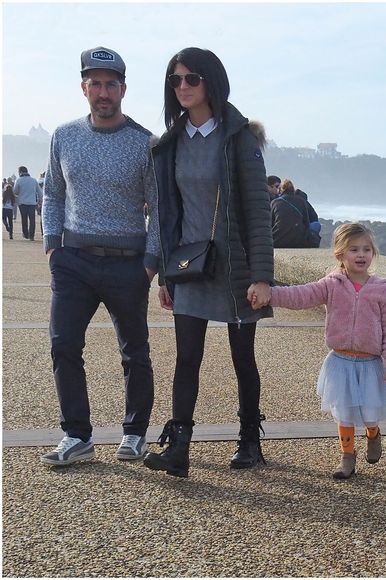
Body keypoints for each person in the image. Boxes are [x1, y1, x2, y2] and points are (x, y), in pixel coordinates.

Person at [143, 47, 274, 478]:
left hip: (235, 267)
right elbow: (166, 214)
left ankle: (249, 442)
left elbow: (257, 212)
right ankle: (178, 448)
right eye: (175, 80)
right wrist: (166, 274)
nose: (182, 87)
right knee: (186, 358)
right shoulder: (170, 143)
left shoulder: (238, 137)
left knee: (243, 357)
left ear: (211, 82)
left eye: (191, 79)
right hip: (190, 267)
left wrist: (262, 277)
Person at [39, 46, 160, 466]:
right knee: (63, 344)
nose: (103, 92)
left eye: (111, 84)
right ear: (83, 87)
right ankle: (77, 436)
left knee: (134, 351)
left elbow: (159, 209)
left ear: (123, 89)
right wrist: (52, 245)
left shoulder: (145, 143)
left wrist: (150, 264)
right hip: (73, 260)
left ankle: (135, 433)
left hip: (128, 262)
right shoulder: (64, 135)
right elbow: (53, 192)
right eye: (95, 84)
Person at [257, 223, 386, 479]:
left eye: (367, 249)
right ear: (340, 255)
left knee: (370, 412)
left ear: (373, 253)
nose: (361, 255)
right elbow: (300, 296)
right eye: (354, 249)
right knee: (344, 412)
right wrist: (271, 295)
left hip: (370, 363)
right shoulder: (331, 285)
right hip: (340, 362)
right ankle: (347, 455)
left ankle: (373, 434)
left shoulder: (382, 289)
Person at [271, 179, 320, 248]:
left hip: (277, 241)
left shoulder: (274, 202)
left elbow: (270, 223)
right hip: (299, 242)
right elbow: (306, 222)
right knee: (316, 225)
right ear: (293, 189)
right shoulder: (301, 201)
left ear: (280, 190)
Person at [13, 166, 40, 240]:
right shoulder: (34, 180)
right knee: (32, 220)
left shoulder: (19, 180)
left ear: (20, 172)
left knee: (24, 219)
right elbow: (39, 192)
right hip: (32, 203)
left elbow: (15, 192)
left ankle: (25, 234)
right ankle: (32, 236)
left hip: (22, 203)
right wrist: (40, 201)